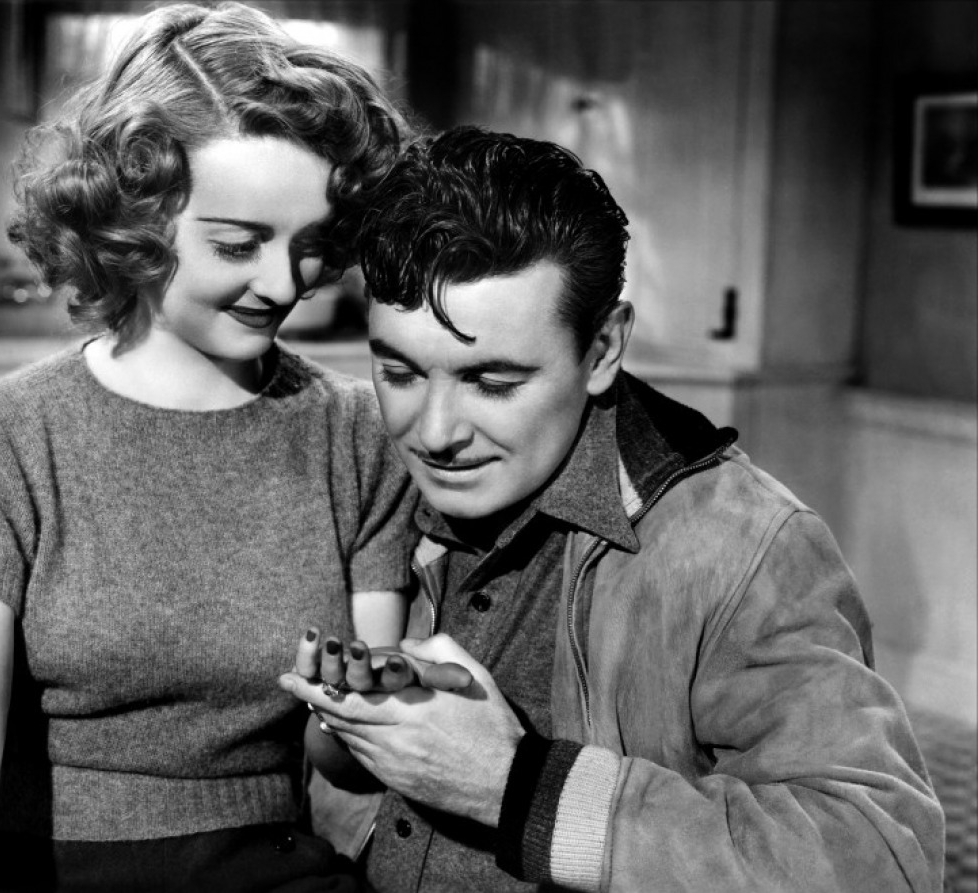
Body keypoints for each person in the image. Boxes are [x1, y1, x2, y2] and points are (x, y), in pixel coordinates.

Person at [280, 126, 945, 892]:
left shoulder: (747, 547)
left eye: (491, 383)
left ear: (602, 350)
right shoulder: (377, 475)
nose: (433, 434)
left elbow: (884, 860)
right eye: (398, 372)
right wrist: (352, 738)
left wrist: (515, 785)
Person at [0, 4, 417, 891]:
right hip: (50, 871)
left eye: (314, 246)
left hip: (271, 867)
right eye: (238, 243)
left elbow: (345, 761)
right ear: (133, 216)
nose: (285, 283)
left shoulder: (356, 433)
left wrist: (359, 711)